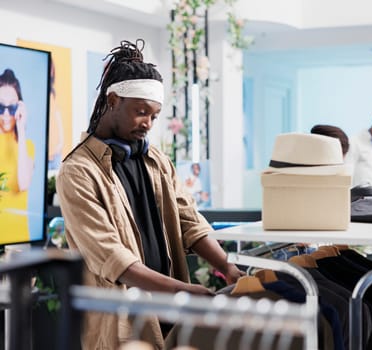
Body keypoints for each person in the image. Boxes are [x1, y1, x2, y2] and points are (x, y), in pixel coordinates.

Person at [56, 39, 244, 350]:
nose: (148, 124)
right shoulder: (78, 172)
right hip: (124, 321)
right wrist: (180, 291)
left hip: (171, 313)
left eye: (154, 116)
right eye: (141, 112)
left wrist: (227, 266)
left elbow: (189, 222)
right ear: (113, 101)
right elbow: (112, 260)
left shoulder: (156, 160)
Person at [0, 68, 34, 244]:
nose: (6, 114)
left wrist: (21, 129)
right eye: (1, 106)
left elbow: (23, 183)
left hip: (18, 243)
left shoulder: (27, 146)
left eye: (11, 107)